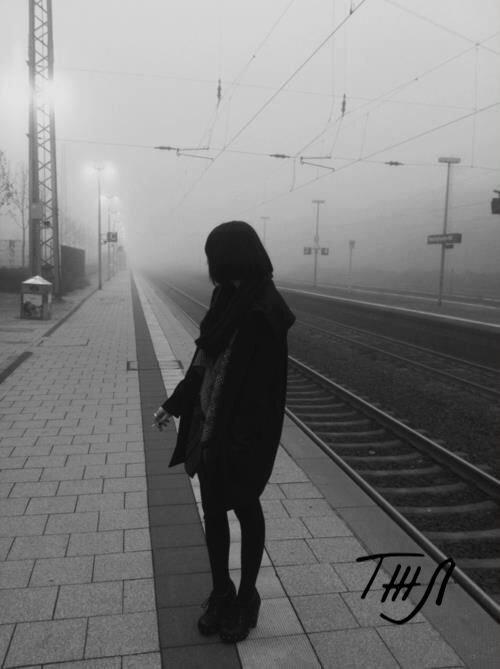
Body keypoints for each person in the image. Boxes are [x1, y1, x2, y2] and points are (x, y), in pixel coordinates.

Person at [153, 220, 295, 643]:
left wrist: (241, 441)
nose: (210, 265)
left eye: (213, 256)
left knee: (246, 509)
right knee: (213, 511)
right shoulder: (225, 298)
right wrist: (175, 404)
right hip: (208, 427)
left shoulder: (265, 311)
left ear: (230, 258)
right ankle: (221, 592)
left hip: (244, 435)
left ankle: (247, 597)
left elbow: (267, 393)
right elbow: (204, 361)